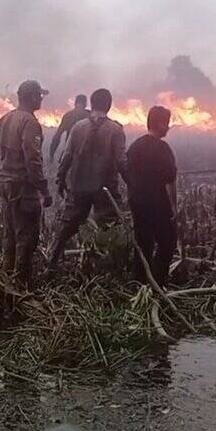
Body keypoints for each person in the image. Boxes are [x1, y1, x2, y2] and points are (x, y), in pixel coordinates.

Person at [48, 88, 128, 269]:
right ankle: (114, 269)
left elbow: (66, 156)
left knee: (67, 226)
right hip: (104, 189)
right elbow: (122, 161)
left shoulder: (78, 127)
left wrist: (61, 179)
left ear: (91, 104)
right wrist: (133, 183)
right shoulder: (115, 130)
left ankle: (51, 263)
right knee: (111, 227)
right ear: (109, 105)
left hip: (79, 186)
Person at [0, 80, 53, 284]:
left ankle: (7, 278)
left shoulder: (5, 119)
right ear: (32, 97)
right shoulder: (29, 123)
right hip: (24, 189)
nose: (41, 99)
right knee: (26, 237)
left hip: (7, 186)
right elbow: (32, 160)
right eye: (39, 96)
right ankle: (21, 284)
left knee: (10, 235)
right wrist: (44, 190)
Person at [126, 106, 177, 287]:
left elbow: (127, 172)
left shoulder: (134, 146)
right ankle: (159, 281)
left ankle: (139, 282)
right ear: (161, 124)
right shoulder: (163, 149)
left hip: (137, 202)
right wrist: (174, 207)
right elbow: (170, 179)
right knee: (167, 242)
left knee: (143, 243)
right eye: (167, 123)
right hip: (158, 203)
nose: (169, 128)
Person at [49, 94, 90, 161]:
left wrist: (52, 153)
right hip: (86, 153)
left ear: (75, 103)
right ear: (85, 104)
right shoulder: (89, 115)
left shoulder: (68, 116)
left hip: (69, 151)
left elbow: (57, 135)